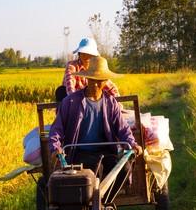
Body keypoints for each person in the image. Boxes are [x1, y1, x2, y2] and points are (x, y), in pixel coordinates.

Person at [49, 56, 142, 200]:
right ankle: (90, 206)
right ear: (87, 79)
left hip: (106, 152)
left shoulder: (111, 103)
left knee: (124, 169)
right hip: (80, 153)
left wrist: (133, 144)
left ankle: (104, 203)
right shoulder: (71, 102)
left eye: (100, 81)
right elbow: (57, 128)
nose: (96, 85)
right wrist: (55, 147)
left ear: (105, 82)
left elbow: (122, 129)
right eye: (92, 80)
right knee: (90, 176)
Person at [55, 37, 120, 102]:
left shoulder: (96, 68)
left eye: (90, 54)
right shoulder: (72, 66)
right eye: (83, 53)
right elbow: (70, 86)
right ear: (79, 54)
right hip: (73, 102)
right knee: (61, 91)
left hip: (90, 102)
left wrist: (117, 104)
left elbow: (110, 87)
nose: (86, 57)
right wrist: (76, 103)